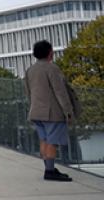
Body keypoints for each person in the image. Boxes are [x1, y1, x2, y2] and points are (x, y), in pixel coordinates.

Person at [24, 39, 80, 182]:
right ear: (50, 53)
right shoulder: (52, 69)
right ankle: (50, 171)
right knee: (52, 142)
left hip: (36, 111)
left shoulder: (30, 70)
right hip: (52, 113)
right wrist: (68, 112)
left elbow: (28, 92)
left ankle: (49, 167)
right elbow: (60, 92)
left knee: (44, 140)